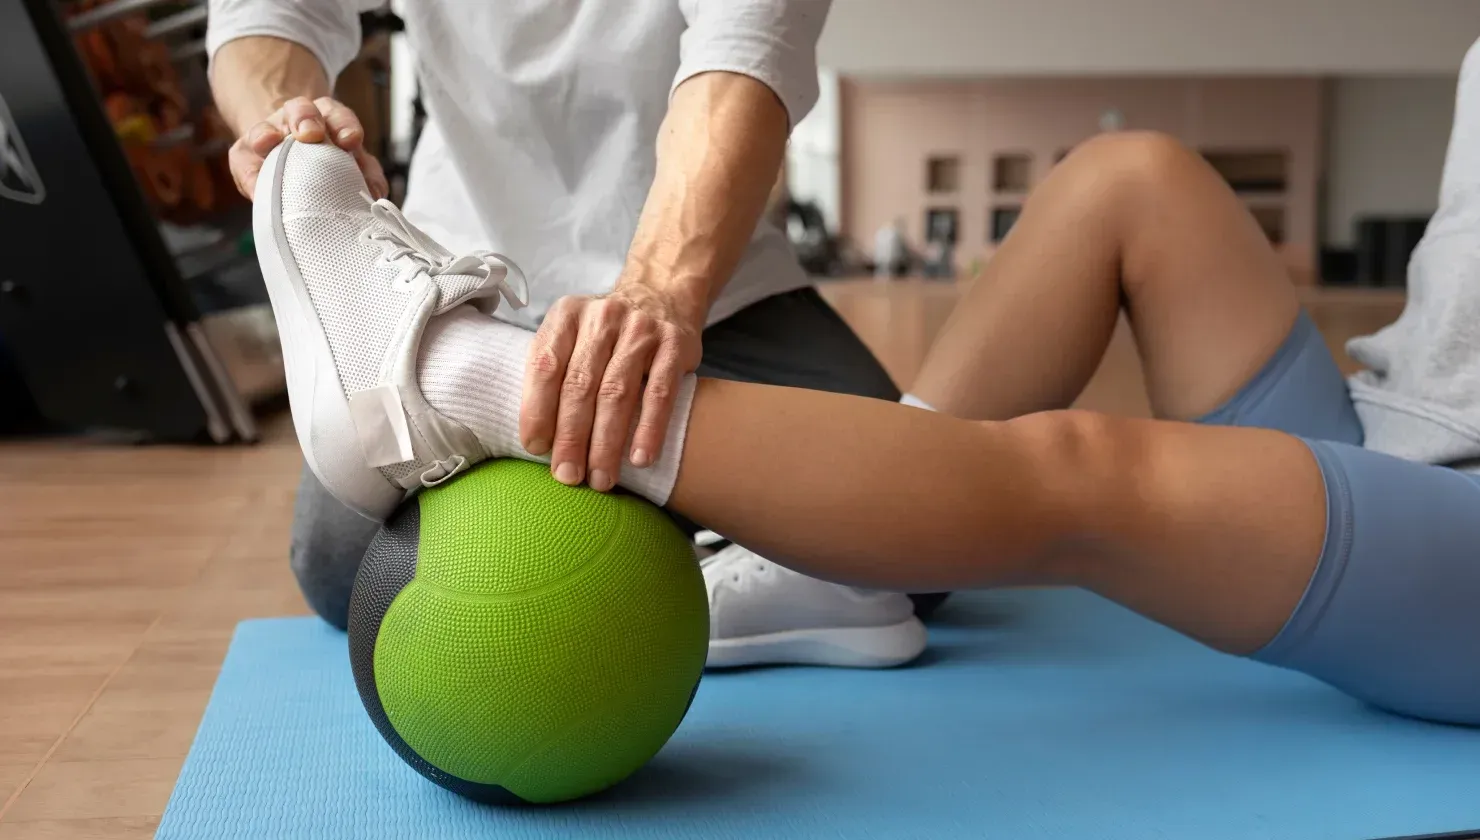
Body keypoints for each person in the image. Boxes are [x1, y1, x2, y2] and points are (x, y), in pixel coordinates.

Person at [250, 33, 1480, 726]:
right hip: (1397, 430)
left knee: (1082, 469)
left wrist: (649, 305)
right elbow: (264, 20)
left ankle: (454, 379)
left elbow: (740, 54)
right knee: (1131, 179)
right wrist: (290, 114)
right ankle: (838, 567)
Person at [206, 0, 943, 668]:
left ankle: (639, 522)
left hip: (714, 287)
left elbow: (745, 51)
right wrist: (296, 132)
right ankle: (517, 409)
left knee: (912, 542)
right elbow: (274, 12)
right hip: (461, 279)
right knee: (349, 572)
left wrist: (657, 289)